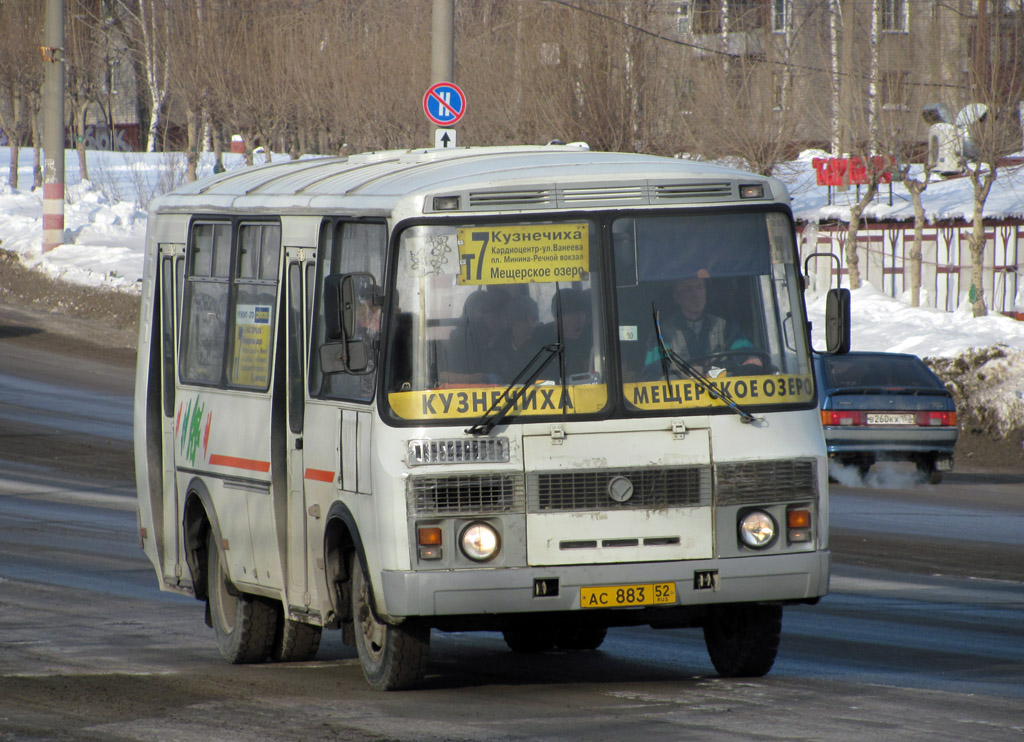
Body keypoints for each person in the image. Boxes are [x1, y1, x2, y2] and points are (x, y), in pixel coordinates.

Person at [647, 274, 763, 375]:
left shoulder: (723, 327)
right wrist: (683, 373)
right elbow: (653, 374)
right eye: (688, 289)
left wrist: (751, 359)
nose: (696, 295)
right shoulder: (664, 333)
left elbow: (746, 350)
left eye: (700, 287)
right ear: (677, 297)